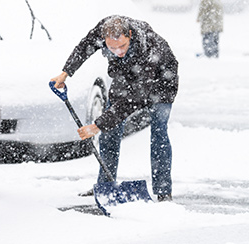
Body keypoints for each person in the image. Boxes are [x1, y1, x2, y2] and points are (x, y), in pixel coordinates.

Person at [50, 15, 178, 202]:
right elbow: (84, 48)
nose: (118, 51)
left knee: (158, 131)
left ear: (130, 36)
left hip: (161, 82)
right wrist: (65, 73)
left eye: (122, 46)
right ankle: (105, 185)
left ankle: (163, 190)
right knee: (109, 131)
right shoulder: (103, 29)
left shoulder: (149, 49)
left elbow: (133, 100)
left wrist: (96, 125)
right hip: (126, 75)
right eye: (112, 48)